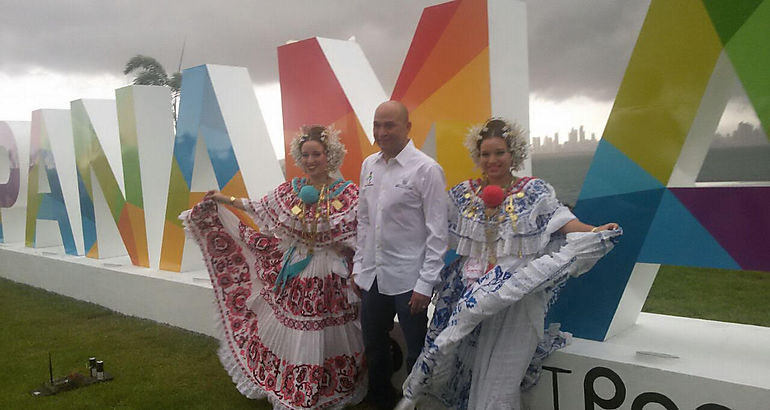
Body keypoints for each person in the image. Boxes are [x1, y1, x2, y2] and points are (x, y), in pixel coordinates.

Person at [399, 118, 621, 410]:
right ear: (477, 156)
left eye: (499, 153)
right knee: (463, 370)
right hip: (470, 298)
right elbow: (432, 223)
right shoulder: (463, 194)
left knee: (502, 380)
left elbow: (562, 222)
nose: (492, 160)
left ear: (513, 154)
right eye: (486, 154)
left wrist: (594, 231)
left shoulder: (534, 192)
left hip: (516, 300)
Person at [181, 125, 366, 409]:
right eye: (305, 155)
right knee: (300, 330)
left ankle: (327, 385)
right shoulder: (290, 191)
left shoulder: (348, 193)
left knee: (329, 330)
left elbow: (362, 232)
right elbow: (256, 206)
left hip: (331, 275)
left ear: (330, 155)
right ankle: (301, 386)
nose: (311, 160)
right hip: (297, 272)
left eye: (316, 153)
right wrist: (222, 199)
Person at [353, 100, 448, 409]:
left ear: (407, 127)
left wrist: (425, 284)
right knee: (374, 344)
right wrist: (359, 266)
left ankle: (416, 402)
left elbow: (438, 233)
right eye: (377, 125)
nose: (382, 132)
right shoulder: (369, 165)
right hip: (374, 275)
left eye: (389, 125)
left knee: (416, 349)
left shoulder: (426, 169)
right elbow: (364, 220)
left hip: (410, 280)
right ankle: (380, 398)